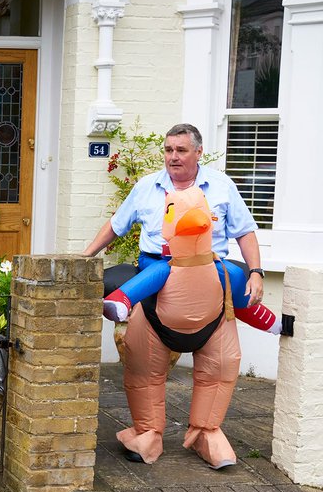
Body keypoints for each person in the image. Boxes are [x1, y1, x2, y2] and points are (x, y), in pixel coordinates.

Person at [82, 123, 281, 334]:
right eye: (168, 150)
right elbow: (116, 225)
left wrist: (256, 272)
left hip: (207, 264)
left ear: (199, 152)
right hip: (156, 260)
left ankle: (270, 322)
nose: (173, 156)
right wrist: (85, 256)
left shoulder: (222, 186)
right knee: (169, 268)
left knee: (236, 276)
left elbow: (244, 232)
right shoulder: (146, 186)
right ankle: (120, 301)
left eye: (181, 150)